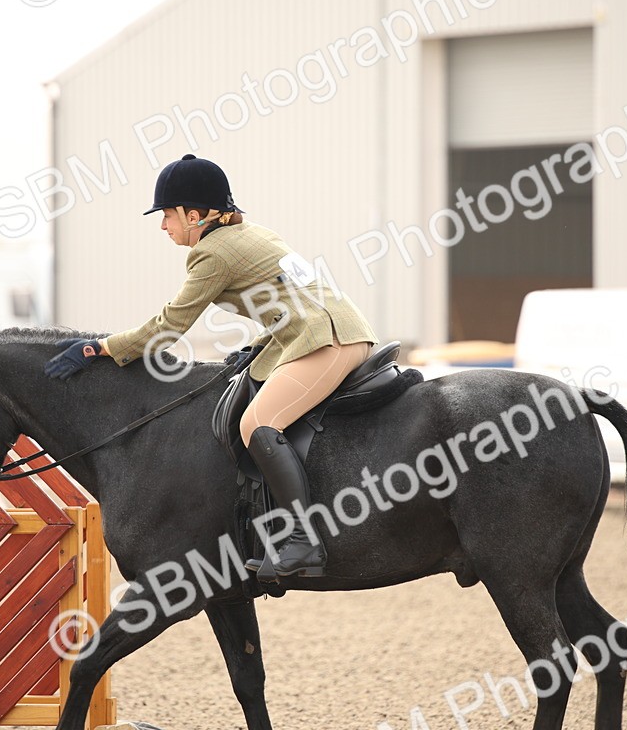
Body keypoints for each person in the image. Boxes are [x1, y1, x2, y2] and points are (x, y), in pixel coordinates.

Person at [44, 154, 378, 578]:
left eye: (167, 215)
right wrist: (257, 347)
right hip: (330, 330)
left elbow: (168, 327)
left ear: (194, 215)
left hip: (326, 340)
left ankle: (302, 540)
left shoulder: (212, 253)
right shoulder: (253, 234)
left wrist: (101, 348)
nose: (163, 225)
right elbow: (287, 305)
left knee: (258, 424)